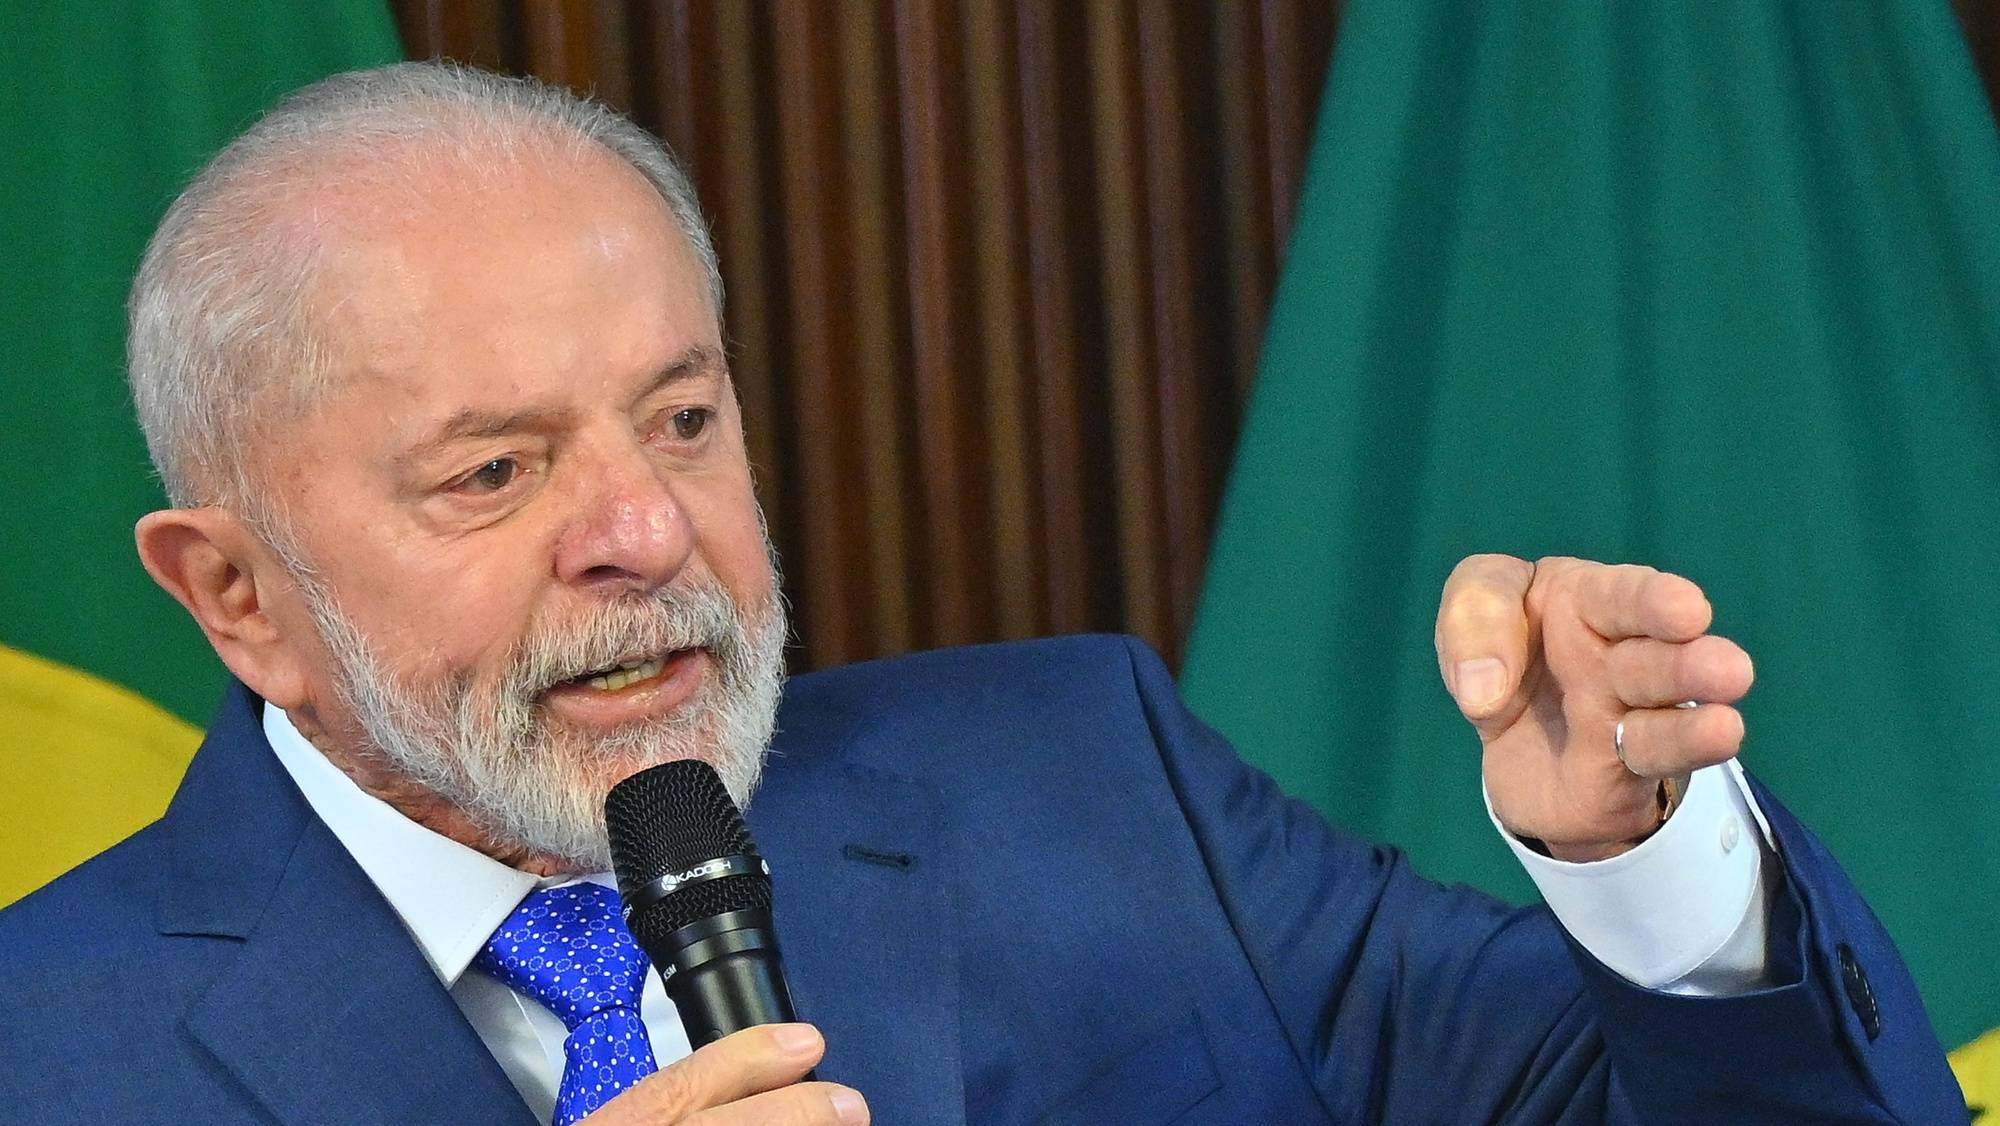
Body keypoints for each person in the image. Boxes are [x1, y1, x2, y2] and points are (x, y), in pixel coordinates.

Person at [0, 62, 1962, 1125]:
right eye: (495, 472)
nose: (648, 533)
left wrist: (1643, 860)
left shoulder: (1087, 779)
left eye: (681, 417)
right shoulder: (46, 1048)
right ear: (236, 594)